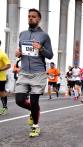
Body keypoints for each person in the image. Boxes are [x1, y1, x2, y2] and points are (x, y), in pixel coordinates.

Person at [15, 8, 53, 137]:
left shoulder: (44, 36)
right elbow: (22, 52)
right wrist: (18, 54)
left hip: (38, 73)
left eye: (33, 16)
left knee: (34, 101)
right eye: (29, 16)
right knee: (19, 100)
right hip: (24, 72)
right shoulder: (22, 34)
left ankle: (36, 126)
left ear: (39, 19)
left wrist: (41, 48)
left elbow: (50, 55)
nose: (30, 18)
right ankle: (34, 110)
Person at [0, 40, 11, 115]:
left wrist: (0, 69)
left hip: (1, 77)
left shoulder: (3, 54)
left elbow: (8, 65)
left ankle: (4, 107)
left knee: (1, 92)